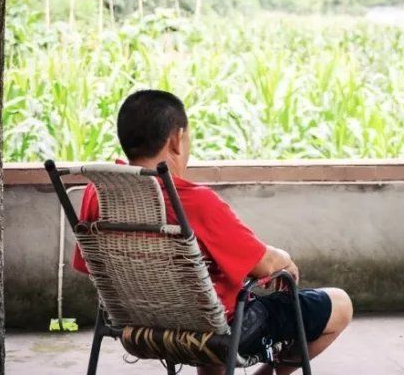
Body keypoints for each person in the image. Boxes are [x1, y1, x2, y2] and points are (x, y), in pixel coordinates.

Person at [72, 89, 352, 375]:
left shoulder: (97, 193)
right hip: (223, 332)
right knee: (340, 304)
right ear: (176, 140)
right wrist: (285, 258)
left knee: (210, 302)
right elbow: (263, 265)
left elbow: (90, 267)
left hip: (137, 329)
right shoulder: (195, 202)